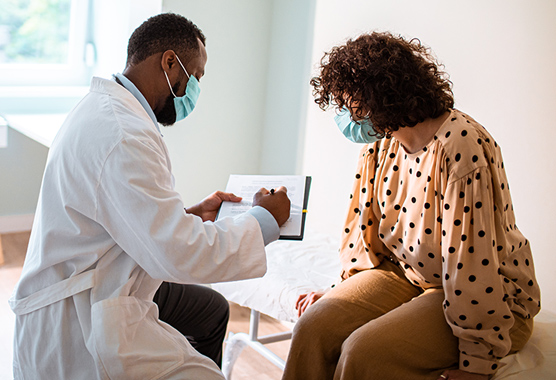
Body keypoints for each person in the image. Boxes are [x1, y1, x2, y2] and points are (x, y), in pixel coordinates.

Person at [9, 13, 290, 380]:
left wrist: (189, 213)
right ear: (170, 63)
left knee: (210, 311)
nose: (195, 92)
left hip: (110, 270)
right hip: (82, 311)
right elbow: (180, 254)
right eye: (197, 77)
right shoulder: (124, 133)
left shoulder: (110, 109)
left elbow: (119, 211)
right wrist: (264, 219)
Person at [282, 32, 540, 380]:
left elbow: (471, 261)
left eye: (348, 102)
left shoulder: (461, 147)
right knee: (312, 329)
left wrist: (478, 364)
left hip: (485, 295)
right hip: (406, 275)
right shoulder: (379, 147)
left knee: (365, 351)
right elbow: (363, 237)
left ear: (381, 95)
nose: (343, 114)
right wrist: (340, 292)